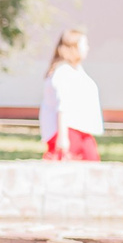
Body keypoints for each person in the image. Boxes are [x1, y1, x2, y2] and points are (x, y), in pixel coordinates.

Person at [41, 30, 102, 160]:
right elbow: (63, 105)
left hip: (81, 132)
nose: (88, 48)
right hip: (69, 132)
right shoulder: (63, 72)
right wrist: (63, 138)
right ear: (73, 47)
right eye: (84, 44)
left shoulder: (76, 71)